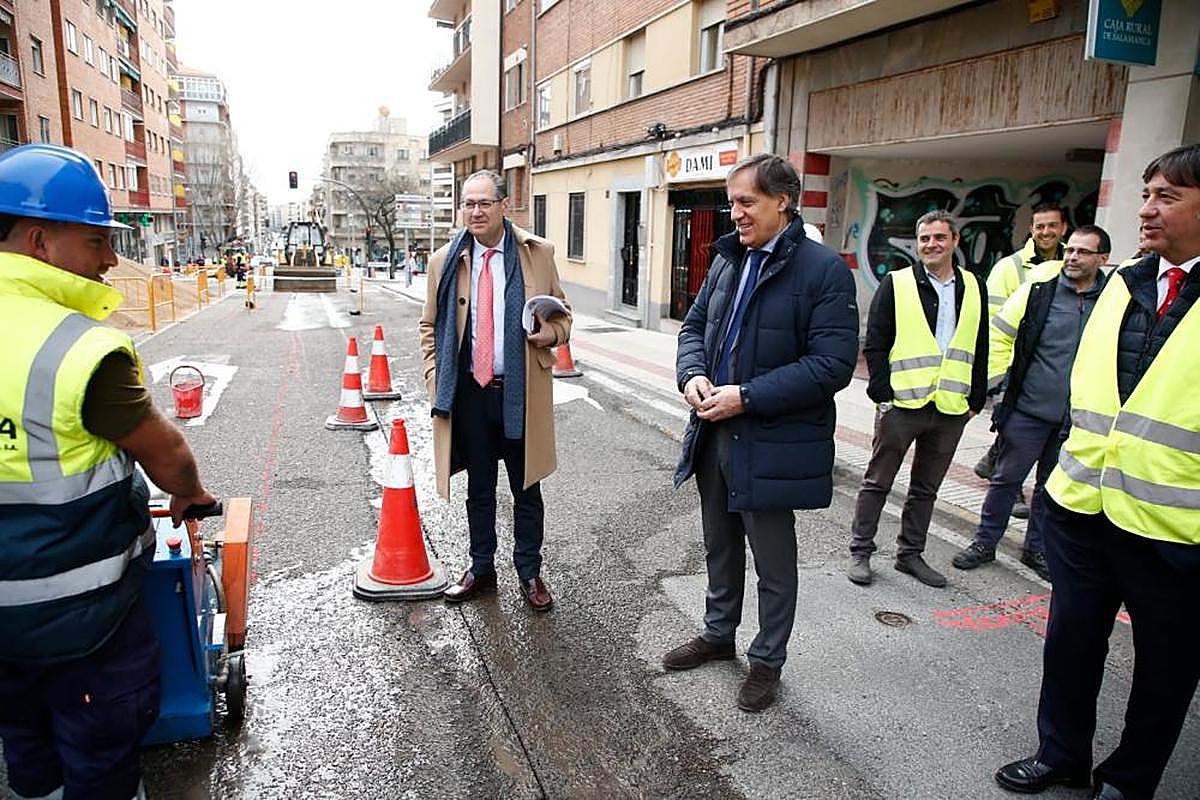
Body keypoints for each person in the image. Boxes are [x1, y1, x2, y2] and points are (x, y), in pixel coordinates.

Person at [0, 144, 216, 799]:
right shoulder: (77, 347)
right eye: (96, 242)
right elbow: (167, 455)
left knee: (26, 748)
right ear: (40, 241)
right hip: (82, 622)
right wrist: (192, 495)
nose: (109, 260)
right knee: (100, 756)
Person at [995, 144, 1200, 800]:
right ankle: (1062, 757)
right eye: (1146, 193)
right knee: (1070, 646)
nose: (1146, 209)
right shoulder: (1126, 282)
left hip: (1175, 531)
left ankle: (1128, 781)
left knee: (1165, 669)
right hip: (1082, 509)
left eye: (1166, 196)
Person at [666, 154, 858, 712]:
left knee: (773, 562)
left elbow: (831, 366)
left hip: (770, 439)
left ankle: (767, 661)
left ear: (783, 201)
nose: (736, 214)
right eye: (732, 202)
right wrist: (693, 374)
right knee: (719, 546)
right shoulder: (728, 259)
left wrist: (745, 397)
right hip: (713, 431)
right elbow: (695, 326)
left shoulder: (824, 271)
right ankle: (718, 634)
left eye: (746, 202)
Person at [418, 169, 571, 612]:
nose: (476, 211)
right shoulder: (444, 260)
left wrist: (551, 335)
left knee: (527, 489)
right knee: (479, 489)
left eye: (485, 203)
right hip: (469, 393)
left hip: (518, 392)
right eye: (468, 203)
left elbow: (563, 316)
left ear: (504, 206)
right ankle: (481, 568)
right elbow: (429, 326)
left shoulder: (536, 254)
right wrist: (435, 377)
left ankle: (529, 572)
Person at [952, 225, 1109, 582]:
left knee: (1050, 489)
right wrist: (1000, 387)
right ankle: (984, 542)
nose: (1072, 257)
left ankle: (1035, 549)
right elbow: (1001, 333)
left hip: (1076, 420)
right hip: (1027, 410)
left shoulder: (1111, 300)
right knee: (1006, 481)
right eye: (1070, 251)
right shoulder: (1040, 292)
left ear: (1102, 259)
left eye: (1083, 252)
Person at [847, 209, 989, 588]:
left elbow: (980, 343)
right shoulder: (897, 283)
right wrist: (882, 392)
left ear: (955, 241)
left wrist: (977, 397)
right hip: (902, 405)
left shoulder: (974, 286)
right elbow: (875, 340)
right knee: (878, 481)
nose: (931, 244)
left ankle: (910, 555)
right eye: (924, 239)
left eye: (939, 238)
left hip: (951, 407)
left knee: (926, 488)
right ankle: (861, 551)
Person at [976, 203, 1070, 518]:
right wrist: (996, 373)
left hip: (1052, 362)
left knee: (1021, 429)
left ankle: (990, 461)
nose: (1045, 232)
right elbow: (992, 323)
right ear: (1031, 229)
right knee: (1012, 424)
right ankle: (1010, 487)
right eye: (1039, 226)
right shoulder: (1009, 268)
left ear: (1063, 228)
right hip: (1015, 363)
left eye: (1052, 226)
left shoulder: (1075, 260)